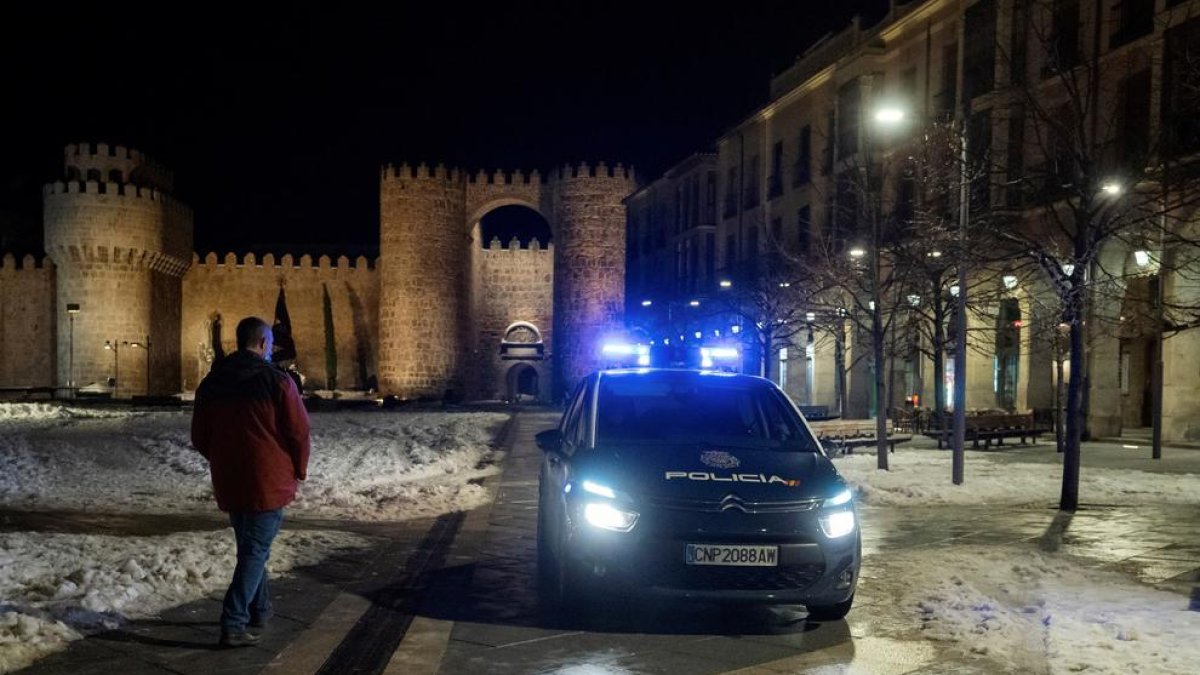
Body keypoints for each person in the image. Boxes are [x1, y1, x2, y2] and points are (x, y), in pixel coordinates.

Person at [191, 316, 311, 648]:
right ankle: (233, 621)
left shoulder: (212, 383)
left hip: (230, 480)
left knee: (250, 548)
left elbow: (200, 435)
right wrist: (298, 469)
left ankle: (261, 608)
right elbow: (298, 432)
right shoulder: (277, 382)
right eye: (270, 343)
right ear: (262, 344)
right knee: (256, 550)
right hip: (268, 480)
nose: (271, 349)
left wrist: (224, 460)